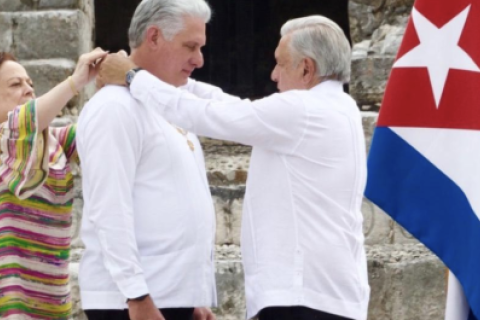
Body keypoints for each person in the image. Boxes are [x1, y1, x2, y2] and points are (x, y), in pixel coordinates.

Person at [98, 15, 370, 320]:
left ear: (306, 68)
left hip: (305, 297)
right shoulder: (339, 107)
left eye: (281, 63)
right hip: (325, 293)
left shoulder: (304, 111)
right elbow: (232, 107)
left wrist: (135, 76)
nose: (274, 74)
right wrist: (168, 78)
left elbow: (212, 116)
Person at [76, 1, 217, 320]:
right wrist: (136, 295)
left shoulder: (170, 105)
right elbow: (109, 207)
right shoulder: (114, 107)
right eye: (190, 46)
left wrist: (188, 295)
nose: (199, 59)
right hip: (130, 304)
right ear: (153, 37)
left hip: (166, 297)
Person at [0, 49, 107, 320]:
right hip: (10, 301)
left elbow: (99, 131)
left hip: (53, 298)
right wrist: (76, 81)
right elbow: (25, 124)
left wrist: (110, 86)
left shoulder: (55, 140)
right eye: (15, 84)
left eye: (30, 83)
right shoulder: (7, 141)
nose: (27, 88)